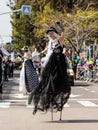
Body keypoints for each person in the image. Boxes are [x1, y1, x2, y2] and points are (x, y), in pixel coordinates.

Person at [32, 22, 71, 120]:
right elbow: (45, 52)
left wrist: (61, 26)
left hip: (59, 62)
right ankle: (50, 90)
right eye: (49, 33)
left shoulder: (59, 40)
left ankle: (59, 88)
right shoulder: (49, 43)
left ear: (54, 33)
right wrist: (38, 54)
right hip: (51, 62)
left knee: (59, 77)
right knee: (48, 78)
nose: (50, 35)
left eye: (51, 33)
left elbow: (63, 33)